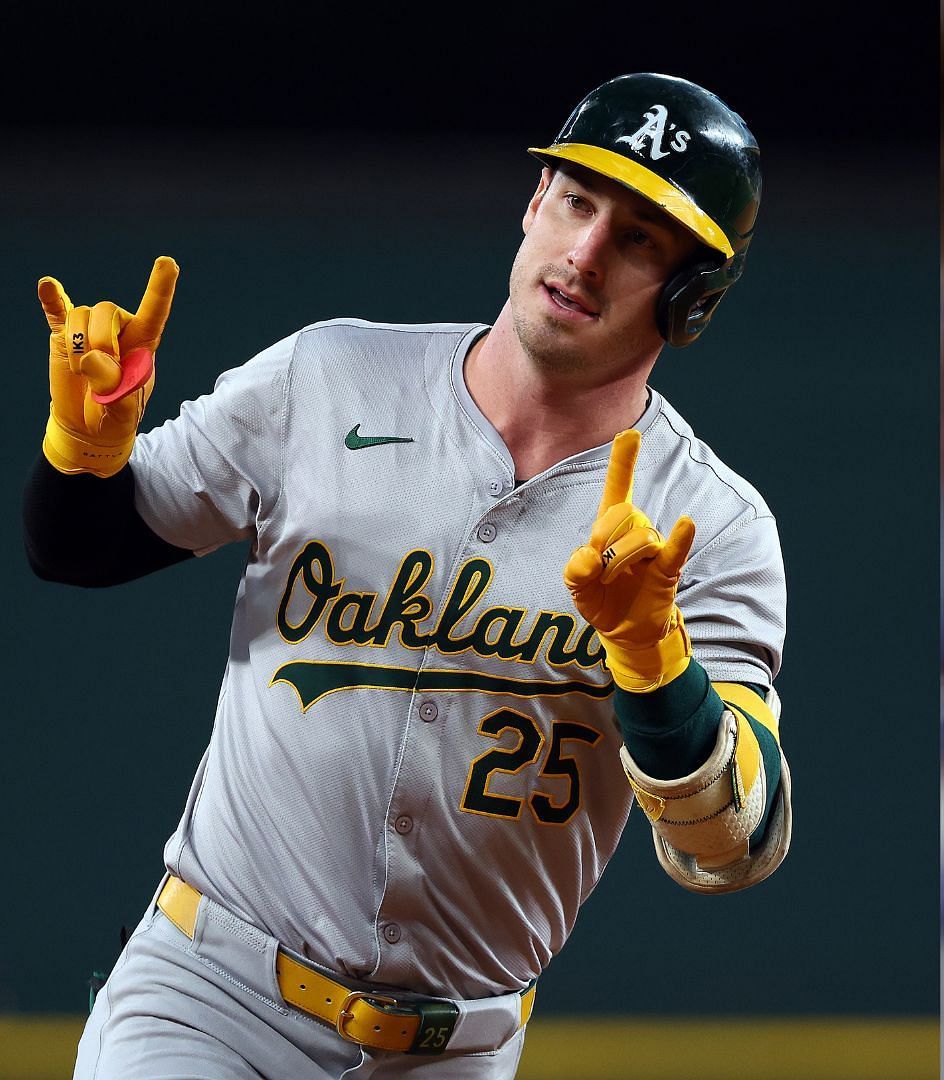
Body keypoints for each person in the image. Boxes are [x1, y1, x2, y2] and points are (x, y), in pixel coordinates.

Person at [26, 72, 791, 1078]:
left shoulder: (714, 529)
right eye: (576, 201)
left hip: (454, 1048)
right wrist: (83, 445)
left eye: (642, 237)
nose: (586, 253)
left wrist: (655, 664)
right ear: (533, 204)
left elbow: (735, 841)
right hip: (209, 1000)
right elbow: (82, 548)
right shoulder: (327, 378)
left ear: (696, 297)